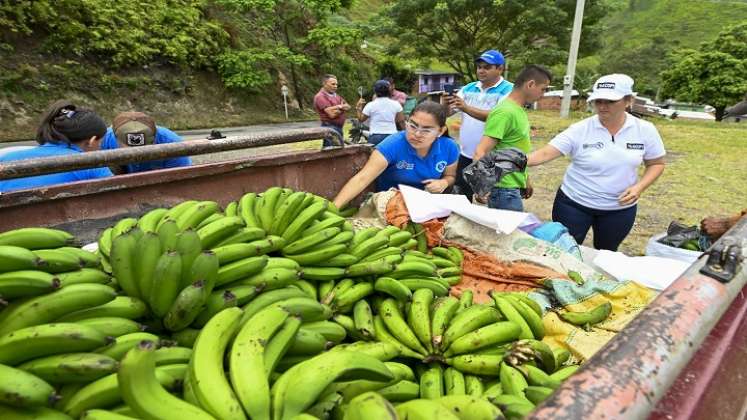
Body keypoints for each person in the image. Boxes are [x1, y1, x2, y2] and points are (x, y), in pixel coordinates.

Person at [527, 74, 666, 251]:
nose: (602, 106)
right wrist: (516, 160)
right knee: (563, 250)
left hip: (619, 209)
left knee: (606, 252)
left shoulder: (644, 130)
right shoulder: (580, 129)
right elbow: (545, 153)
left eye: (610, 101)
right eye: (598, 100)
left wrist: (639, 187)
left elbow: (656, 163)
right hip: (574, 203)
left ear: (628, 100)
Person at [333, 101, 459, 209]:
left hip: (424, 205)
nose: (417, 134)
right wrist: (333, 209)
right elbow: (362, 179)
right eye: (413, 126)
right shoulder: (393, 144)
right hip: (388, 204)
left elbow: (450, 176)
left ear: (440, 131)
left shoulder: (449, 147)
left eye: (426, 130)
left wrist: (444, 183)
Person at [473, 65, 552, 212]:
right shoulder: (505, 112)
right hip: (502, 189)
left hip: (512, 187)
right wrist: (481, 186)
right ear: (530, 84)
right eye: (543, 89)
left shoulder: (517, 110)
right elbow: (480, 151)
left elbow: (516, 150)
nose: (543, 94)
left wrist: (525, 179)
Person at [0, 100, 112, 192]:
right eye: (100, 142)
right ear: (91, 141)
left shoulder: (5, 159)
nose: (100, 147)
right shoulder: (91, 165)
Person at [445, 49, 513, 200]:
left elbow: (497, 118)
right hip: (465, 154)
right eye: (479, 67)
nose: (481, 71)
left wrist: (466, 107)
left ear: (500, 68)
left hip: (491, 157)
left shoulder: (509, 90)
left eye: (487, 67)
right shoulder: (468, 88)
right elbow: (449, 113)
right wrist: (445, 104)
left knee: (493, 201)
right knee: (461, 198)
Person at [101, 111, 191, 174]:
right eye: (130, 151)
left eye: (143, 151)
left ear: (155, 138)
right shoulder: (104, 140)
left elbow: (180, 182)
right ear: (116, 139)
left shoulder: (173, 144)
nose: (136, 157)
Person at [355, 80, 405, 146]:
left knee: (375, 156)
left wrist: (358, 108)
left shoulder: (370, 105)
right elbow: (401, 121)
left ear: (375, 91)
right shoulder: (396, 104)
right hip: (391, 136)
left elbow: (361, 119)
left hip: (375, 136)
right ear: (389, 91)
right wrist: (405, 133)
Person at [313, 74, 351, 147]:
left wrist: (338, 108)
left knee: (339, 149)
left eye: (336, 84)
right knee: (331, 151)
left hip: (339, 128)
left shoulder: (336, 95)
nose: (335, 86)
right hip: (329, 127)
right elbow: (331, 115)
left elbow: (348, 106)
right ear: (324, 84)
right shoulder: (320, 96)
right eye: (333, 84)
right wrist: (341, 107)